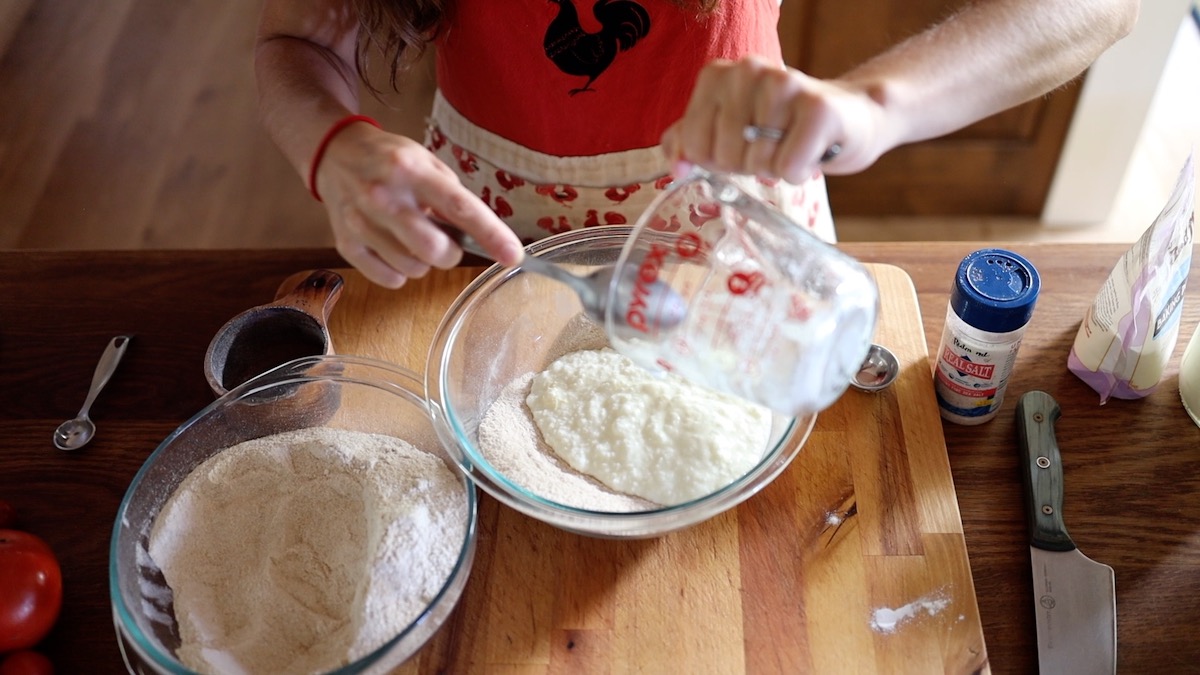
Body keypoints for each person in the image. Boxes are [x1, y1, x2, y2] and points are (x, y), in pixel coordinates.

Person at [255, 0, 1138, 289]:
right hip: (486, 220)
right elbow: (295, 41)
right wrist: (333, 151)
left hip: (740, 214)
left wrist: (875, 106)